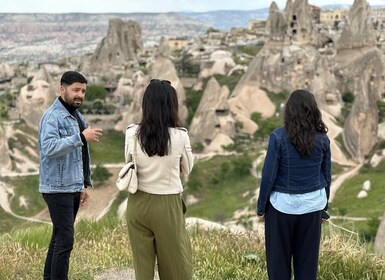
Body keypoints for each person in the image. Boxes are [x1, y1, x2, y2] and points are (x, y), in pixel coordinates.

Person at [256, 89, 331, 280]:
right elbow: (326, 176)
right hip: (312, 207)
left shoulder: (278, 137)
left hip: (281, 208)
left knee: (278, 266)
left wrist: (261, 207)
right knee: (307, 267)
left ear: (289, 111)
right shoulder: (323, 139)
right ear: (313, 111)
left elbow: (268, 176)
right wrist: (324, 208)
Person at [125, 79, 193, 280]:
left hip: (137, 203)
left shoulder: (131, 133)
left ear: (146, 104)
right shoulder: (180, 136)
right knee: (175, 267)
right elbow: (187, 168)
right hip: (167, 204)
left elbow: (129, 162)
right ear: (172, 105)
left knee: (142, 268)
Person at [38, 70, 103, 280]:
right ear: (62, 89)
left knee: (59, 238)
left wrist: (81, 185)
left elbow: (78, 155)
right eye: (76, 90)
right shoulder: (53, 116)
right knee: (65, 241)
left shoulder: (75, 115)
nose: (80, 95)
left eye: (83, 91)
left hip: (70, 187)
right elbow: (48, 147)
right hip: (57, 189)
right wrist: (81, 137)